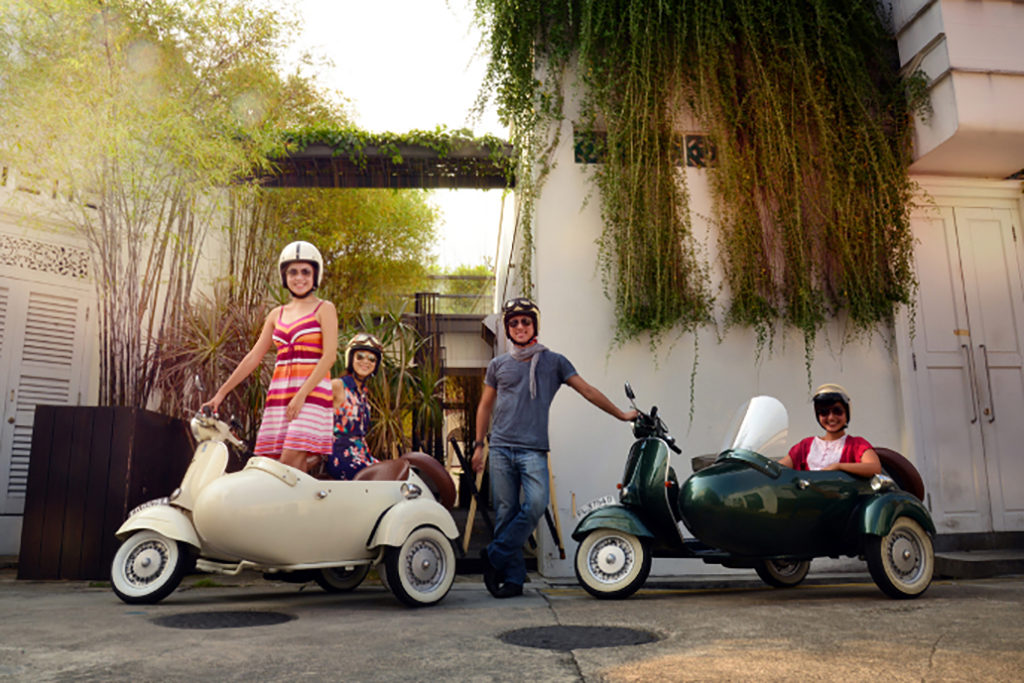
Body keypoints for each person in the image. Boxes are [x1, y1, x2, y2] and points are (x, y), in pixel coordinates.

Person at [471, 297, 638, 598]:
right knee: (506, 512)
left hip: (533, 450)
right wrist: (478, 445)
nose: (520, 326)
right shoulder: (498, 365)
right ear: (508, 329)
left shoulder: (554, 362)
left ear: (534, 325)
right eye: (514, 323)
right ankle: (512, 580)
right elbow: (485, 406)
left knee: (535, 504)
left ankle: (494, 555)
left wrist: (622, 414)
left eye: (525, 321)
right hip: (500, 448)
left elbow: (587, 390)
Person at [202, 241, 337, 473]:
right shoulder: (277, 314)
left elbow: (330, 356)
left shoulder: (325, 309)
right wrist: (220, 394)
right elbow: (253, 357)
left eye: (306, 271)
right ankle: (303, 509)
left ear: (316, 274)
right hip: (280, 397)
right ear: (284, 276)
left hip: (310, 396)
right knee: (281, 470)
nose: (299, 277)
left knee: (286, 465)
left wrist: (301, 395)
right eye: (293, 272)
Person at [779, 383, 882, 476]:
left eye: (837, 411)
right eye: (824, 412)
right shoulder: (805, 446)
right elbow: (777, 469)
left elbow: (874, 468)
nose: (831, 418)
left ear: (847, 413)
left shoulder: (856, 444)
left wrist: (839, 467)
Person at [328, 333, 383, 480]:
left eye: (372, 359)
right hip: (342, 456)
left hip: (364, 455)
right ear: (350, 358)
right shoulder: (338, 385)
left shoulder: (363, 393)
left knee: (398, 473)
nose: (366, 361)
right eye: (360, 356)